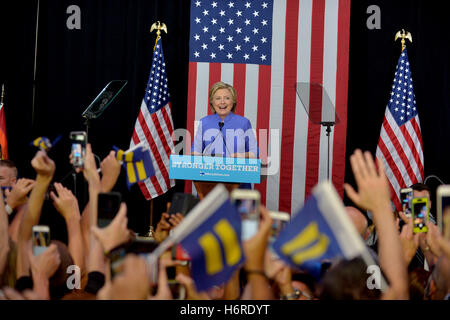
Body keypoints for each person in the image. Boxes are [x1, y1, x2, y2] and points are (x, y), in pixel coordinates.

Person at [191, 82, 258, 158]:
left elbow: (255, 152)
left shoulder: (244, 123)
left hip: (237, 168)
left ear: (233, 101)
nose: (222, 102)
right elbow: (196, 150)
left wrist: (240, 155)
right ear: (212, 102)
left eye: (227, 98)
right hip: (210, 168)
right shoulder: (204, 122)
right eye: (218, 98)